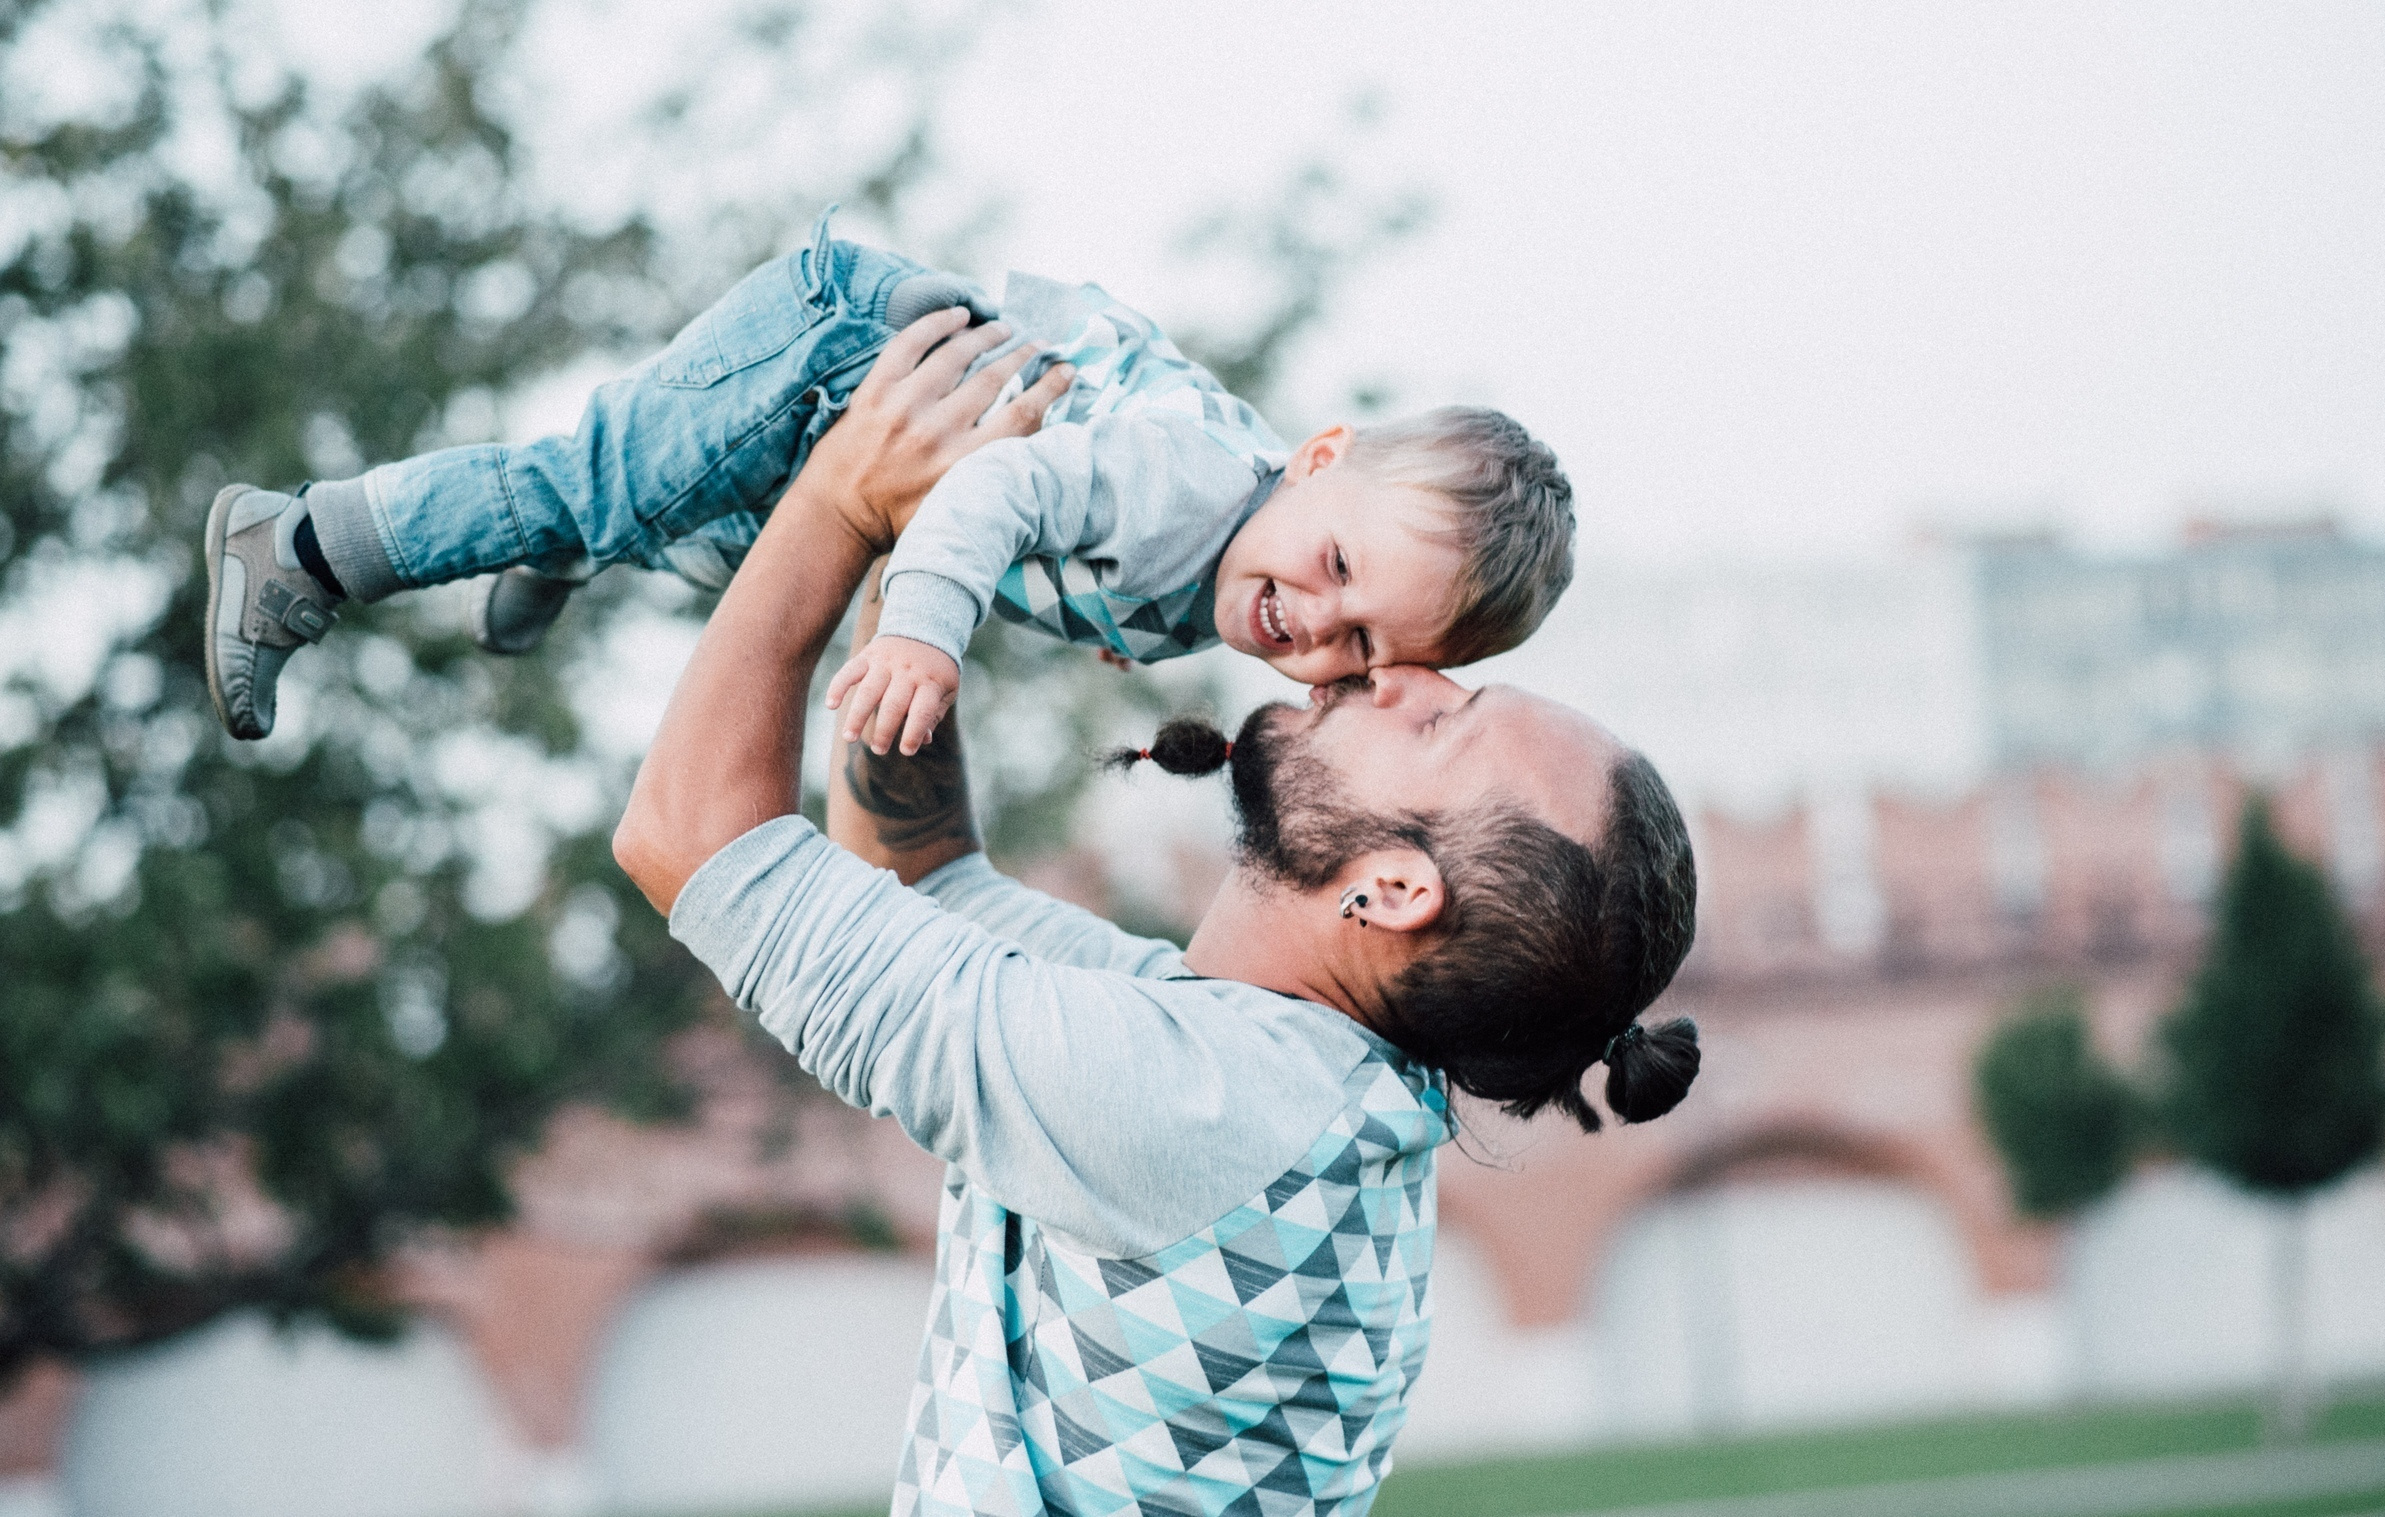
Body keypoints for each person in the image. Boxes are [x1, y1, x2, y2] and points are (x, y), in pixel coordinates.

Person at [611, 310, 1702, 1517]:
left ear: (1393, 890)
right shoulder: (1276, 1075)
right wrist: (914, 568)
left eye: (1442, 718)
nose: (1397, 670)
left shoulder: (1201, 1108)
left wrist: (841, 500)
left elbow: (688, 839)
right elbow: (922, 882)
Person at [201, 212, 1576, 749]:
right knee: (603, 486)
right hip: (843, 342)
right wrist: (923, 629)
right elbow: (990, 503)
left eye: (1355, 647)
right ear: (1317, 455)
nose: (1311, 627)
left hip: (850, 440)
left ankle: (562, 541)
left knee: (688, 541)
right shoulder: (1184, 484)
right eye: (1335, 572)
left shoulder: (1224, 571)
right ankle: (302, 548)